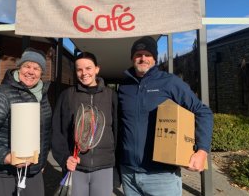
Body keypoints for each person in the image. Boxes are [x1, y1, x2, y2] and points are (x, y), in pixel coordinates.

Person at [117, 36, 213, 196]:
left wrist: (202, 150)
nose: (143, 58)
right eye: (138, 54)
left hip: (161, 176)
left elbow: (202, 111)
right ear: (132, 58)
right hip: (129, 173)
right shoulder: (124, 87)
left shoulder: (169, 82)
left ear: (154, 58)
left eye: (147, 54)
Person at [0, 47, 52, 196]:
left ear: (41, 73)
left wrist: (41, 163)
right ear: (19, 67)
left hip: (32, 170)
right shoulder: (1, 94)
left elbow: (44, 133)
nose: (31, 72)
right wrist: (7, 157)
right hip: (4, 171)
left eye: (36, 68)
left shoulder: (42, 96)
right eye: (27, 66)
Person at [52, 52, 118, 196]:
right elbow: (57, 131)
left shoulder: (111, 96)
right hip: (76, 168)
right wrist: (64, 158)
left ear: (97, 69)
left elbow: (117, 131)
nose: (84, 73)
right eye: (79, 70)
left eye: (88, 68)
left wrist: (117, 166)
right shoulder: (67, 95)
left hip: (104, 167)